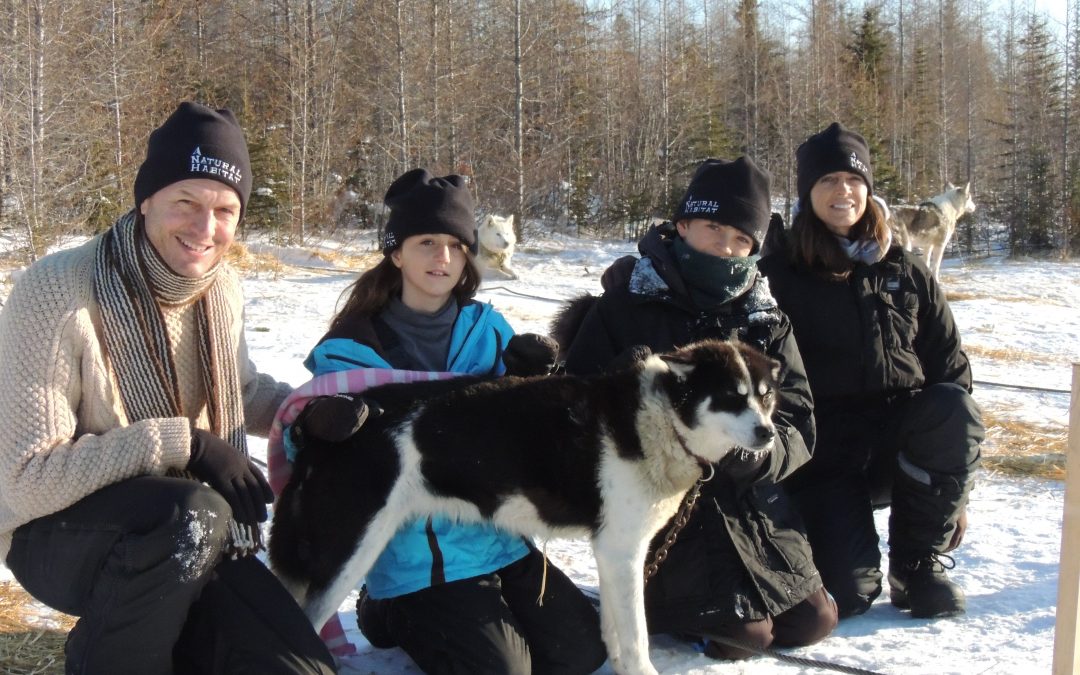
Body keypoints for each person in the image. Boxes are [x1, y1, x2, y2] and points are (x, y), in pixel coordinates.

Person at [0, 102, 335, 674]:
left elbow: (241, 388)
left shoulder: (220, 289)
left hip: (188, 536)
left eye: (225, 210)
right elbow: (27, 479)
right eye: (187, 202)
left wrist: (304, 410)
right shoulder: (56, 291)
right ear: (146, 199)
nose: (206, 230)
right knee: (190, 511)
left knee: (300, 667)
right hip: (54, 535)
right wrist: (187, 444)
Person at [288, 168, 607, 675]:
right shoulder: (351, 351)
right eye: (427, 242)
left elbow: (536, 437)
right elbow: (302, 442)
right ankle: (388, 607)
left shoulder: (487, 331)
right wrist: (316, 427)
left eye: (456, 246)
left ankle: (409, 614)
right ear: (396, 253)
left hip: (499, 537)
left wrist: (532, 382)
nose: (443, 258)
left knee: (583, 654)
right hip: (416, 558)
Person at [558, 156, 837, 660]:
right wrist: (619, 385)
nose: (725, 248)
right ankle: (657, 604)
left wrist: (757, 458)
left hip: (748, 500)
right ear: (682, 225)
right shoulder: (626, 306)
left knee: (815, 621)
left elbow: (799, 417)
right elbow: (570, 407)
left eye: (741, 239)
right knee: (743, 639)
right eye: (713, 229)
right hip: (662, 503)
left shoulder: (765, 319)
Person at [759, 122, 984, 620]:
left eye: (854, 180)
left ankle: (917, 564)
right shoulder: (778, 276)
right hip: (822, 455)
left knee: (951, 406)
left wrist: (956, 494)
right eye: (827, 181)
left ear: (869, 189)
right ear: (806, 193)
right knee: (850, 594)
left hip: (898, 444)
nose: (843, 191)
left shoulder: (904, 269)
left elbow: (950, 368)